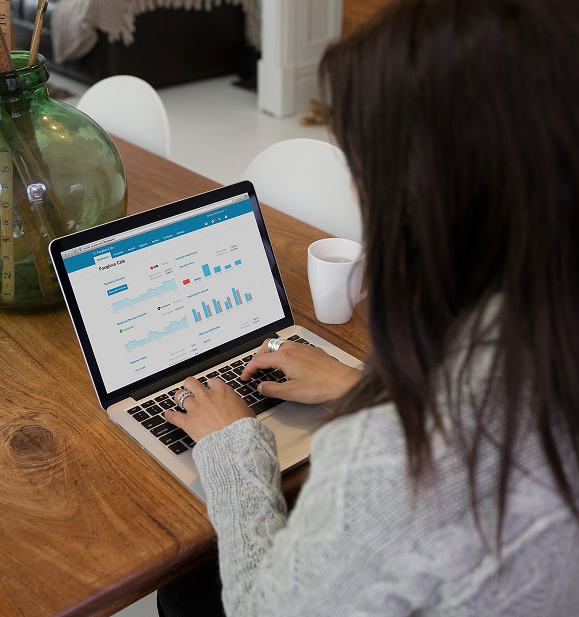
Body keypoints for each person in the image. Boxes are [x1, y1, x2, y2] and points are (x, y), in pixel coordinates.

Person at [156, 0, 579, 615]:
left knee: (187, 586)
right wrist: (354, 382)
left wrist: (231, 447)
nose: (357, 188)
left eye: (361, 163)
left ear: (425, 196)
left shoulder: (395, 463)